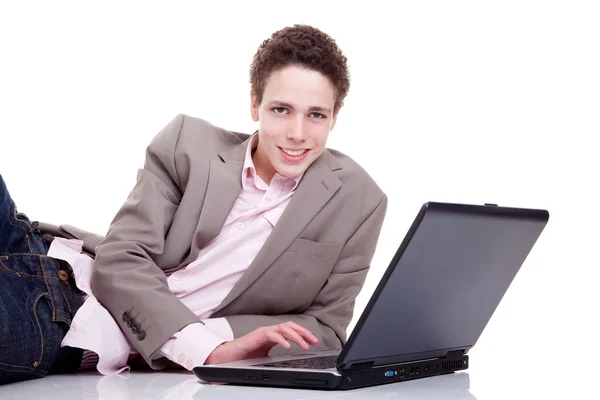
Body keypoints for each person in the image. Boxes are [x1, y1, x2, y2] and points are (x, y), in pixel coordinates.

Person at [0, 24, 387, 385]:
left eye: (316, 115)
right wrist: (205, 347)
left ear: (335, 118)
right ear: (255, 105)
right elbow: (120, 257)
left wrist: (210, 344)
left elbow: (327, 331)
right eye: (281, 110)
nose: (297, 133)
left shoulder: (359, 201)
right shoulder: (187, 145)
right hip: (43, 252)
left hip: (65, 320)